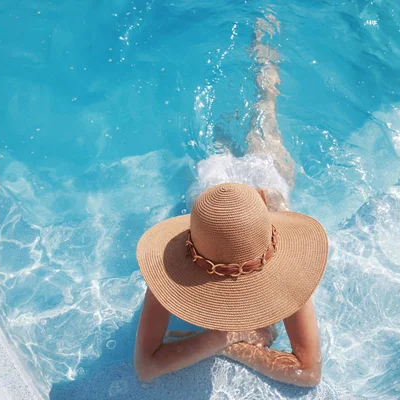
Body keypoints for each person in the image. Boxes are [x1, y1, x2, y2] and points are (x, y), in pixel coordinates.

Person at [133, 15, 328, 388]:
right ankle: (261, 56)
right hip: (218, 192)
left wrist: (216, 343)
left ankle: (265, 54)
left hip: (265, 189)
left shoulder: (284, 265)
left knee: (265, 109)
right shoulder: (182, 256)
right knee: (245, 130)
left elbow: (308, 373)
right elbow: (145, 368)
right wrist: (229, 338)